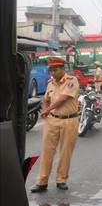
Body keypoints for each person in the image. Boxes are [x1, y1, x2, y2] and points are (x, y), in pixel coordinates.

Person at [30, 55, 80, 193]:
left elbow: (62, 99)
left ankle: (61, 180)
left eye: (55, 70)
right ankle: (42, 182)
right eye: (50, 70)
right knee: (47, 151)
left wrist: (46, 110)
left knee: (65, 152)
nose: (52, 73)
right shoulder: (50, 83)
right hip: (53, 120)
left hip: (69, 120)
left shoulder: (71, 81)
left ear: (63, 69)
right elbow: (46, 98)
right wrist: (47, 113)